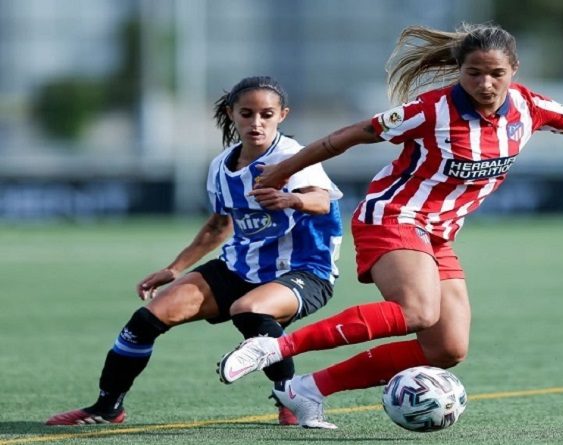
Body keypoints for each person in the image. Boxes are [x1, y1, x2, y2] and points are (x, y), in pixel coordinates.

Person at [216, 24, 563, 429]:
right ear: (457, 71)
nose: (485, 84)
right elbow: (348, 136)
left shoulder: (531, 107)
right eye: (474, 74)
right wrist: (281, 170)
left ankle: (307, 390)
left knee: (447, 349)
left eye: (495, 74)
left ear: (514, 71)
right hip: (393, 216)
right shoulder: (428, 109)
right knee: (417, 311)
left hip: (439, 233)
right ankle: (276, 347)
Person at [46, 76, 343, 426]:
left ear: (283, 115)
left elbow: (321, 202)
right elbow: (219, 226)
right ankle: (107, 408)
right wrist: (175, 269)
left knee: (250, 312)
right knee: (145, 321)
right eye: (247, 114)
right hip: (238, 269)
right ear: (232, 114)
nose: (256, 123)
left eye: (266, 114)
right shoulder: (221, 166)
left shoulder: (294, 157)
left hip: (304, 271)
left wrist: (290, 199)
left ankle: (291, 397)